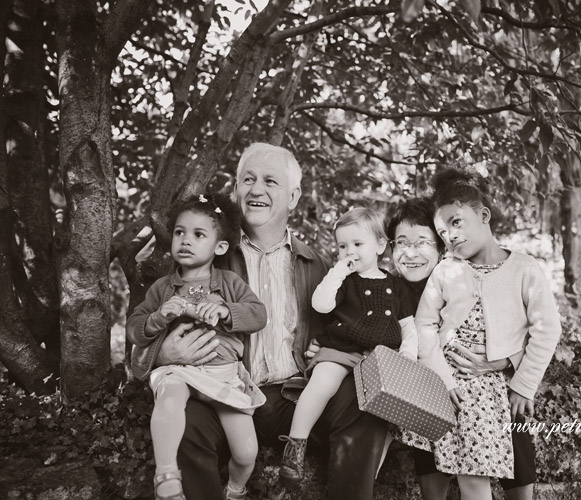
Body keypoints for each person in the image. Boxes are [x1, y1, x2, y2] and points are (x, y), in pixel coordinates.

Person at [130, 143, 390, 500]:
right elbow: (145, 331)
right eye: (247, 179)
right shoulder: (207, 258)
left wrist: (326, 347)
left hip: (297, 397)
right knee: (185, 421)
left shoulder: (320, 268)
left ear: (294, 196)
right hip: (224, 393)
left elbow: (352, 329)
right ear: (235, 190)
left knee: (362, 405)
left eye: (271, 181)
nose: (256, 189)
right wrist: (163, 354)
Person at [416, 168, 562, 500]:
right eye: (442, 232)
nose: (450, 236)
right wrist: (443, 377)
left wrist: (522, 384)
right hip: (448, 388)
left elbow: (547, 328)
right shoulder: (445, 270)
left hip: (493, 392)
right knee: (466, 477)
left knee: (478, 472)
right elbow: (425, 324)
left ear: (483, 215)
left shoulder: (524, 269)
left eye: (456, 222)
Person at [126, 194, 268, 500]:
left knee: (245, 452)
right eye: (179, 232)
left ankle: (235, 488)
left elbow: (259, 314)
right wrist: (158, 317)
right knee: (170, 396)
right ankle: (166, 477)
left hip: (225, 376)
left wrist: (227, 311)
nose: (185, 240)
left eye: (198, 234)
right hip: (180, 370)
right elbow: (134, 329)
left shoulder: (229, 283)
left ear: (219, 247)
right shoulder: (163, 289)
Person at [278, 207, 418, 485]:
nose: (349, 251)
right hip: (341, 349)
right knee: (323, 383)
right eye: (342, 246)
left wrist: (407, 355)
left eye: (357, 244)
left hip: (380, 358)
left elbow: (408, 327)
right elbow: (321, 304)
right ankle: (295, 446)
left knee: (386, 413)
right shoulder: (344, 281)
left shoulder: (397, 286)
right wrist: (337, 272)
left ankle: (367, 473)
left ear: (380, 246)